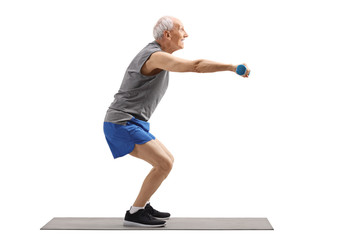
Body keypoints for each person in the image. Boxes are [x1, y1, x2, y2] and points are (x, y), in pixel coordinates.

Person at [103, 16, 251, 228]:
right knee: (164, 163)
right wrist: (231, 66)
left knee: (166, 160)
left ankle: (142, 205)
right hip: (122, 122)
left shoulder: (155, 54)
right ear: (167, 35)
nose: (186, 34)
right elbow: (196, 66)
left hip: (129, 122)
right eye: (182, 29)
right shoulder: (155, 56)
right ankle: (135, 213)